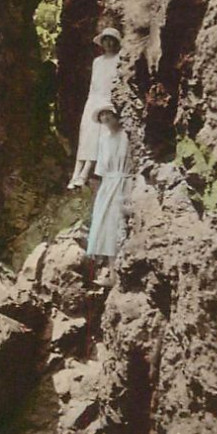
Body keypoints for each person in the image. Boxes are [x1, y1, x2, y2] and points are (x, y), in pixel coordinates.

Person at [67, 26, 121, 189]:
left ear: (116, 43)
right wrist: (90, 102)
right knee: (87, 135)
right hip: (94, 99)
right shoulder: (97, 62)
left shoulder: (119, 59)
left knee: (100, 136)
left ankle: (85, 174)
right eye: (106, 40)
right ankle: (75, 174)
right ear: (102, 43)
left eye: (112, 40)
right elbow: (93, 85)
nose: (109, 43)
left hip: (108, 101)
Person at [86, 104, 132, 270]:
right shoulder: (103, 139)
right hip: (109, 183)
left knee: (120, 223)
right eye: (102, 115)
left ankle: (121, 269)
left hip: (125, 181)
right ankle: (110, 270)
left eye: (108, 114)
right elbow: (102, 169)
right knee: (106, 224)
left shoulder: (127, 135)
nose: (105, 118)